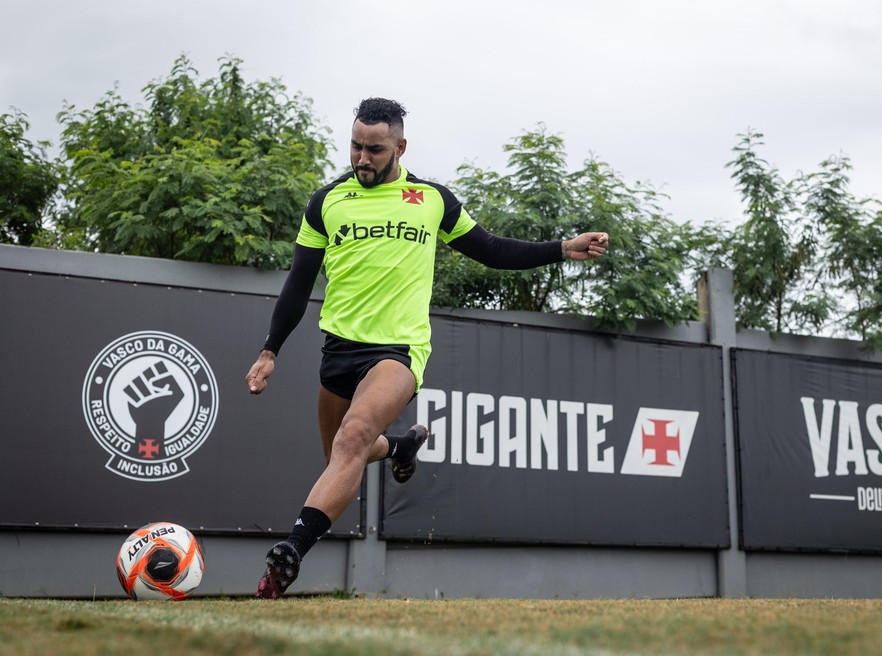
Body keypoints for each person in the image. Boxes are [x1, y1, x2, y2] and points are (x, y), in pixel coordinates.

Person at [245, 97, 609, 598]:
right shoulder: (326, 202)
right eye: (355, 146)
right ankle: (399, 445)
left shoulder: (431, 198)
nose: (362, 158)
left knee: (351, 441)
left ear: (400, 146)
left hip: (398, 351)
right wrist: (270, 350)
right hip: (339, 349)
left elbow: (493, 249)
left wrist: (562, 248)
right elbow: (297, 283)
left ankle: (288, 555)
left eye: (374, 149)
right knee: (340, 455)